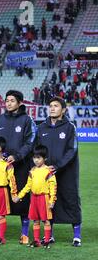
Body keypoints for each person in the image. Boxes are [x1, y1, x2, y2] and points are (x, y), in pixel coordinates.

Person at [0, 90, 36, 245]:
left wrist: (17, 156)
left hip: (19, 167)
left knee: (21, 200)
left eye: (12, 100)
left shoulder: (27, 120)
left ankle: (25, 233)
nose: (8, 103)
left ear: (20, 103)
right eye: (7, 100)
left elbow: (30, 142)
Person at [35, 97, 82, 247]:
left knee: (71, 200)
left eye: (56, 106)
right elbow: (36, 150)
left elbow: (72, 149)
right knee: (49, 202)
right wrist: (41, 167)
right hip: (46, 173)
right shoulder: (41, 128)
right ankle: (50, 234)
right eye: (50, 106)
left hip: (67, 172)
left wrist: (58, 166)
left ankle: (77, 235)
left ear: (63, 109)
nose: (52, 108)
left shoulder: (70, 127)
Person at [13, 145, 57, 249]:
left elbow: (53, 187)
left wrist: (52, 201)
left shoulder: (48, 171)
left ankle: (46, 241)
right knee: (35, 220)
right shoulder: (32, 171)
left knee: (46, 220)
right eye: (34, 158)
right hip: (34, 199)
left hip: (44, 199)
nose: (36, 160)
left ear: (45, 158)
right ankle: (36, 241)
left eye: (39, 158)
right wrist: (19, 196)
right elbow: (28, 186)